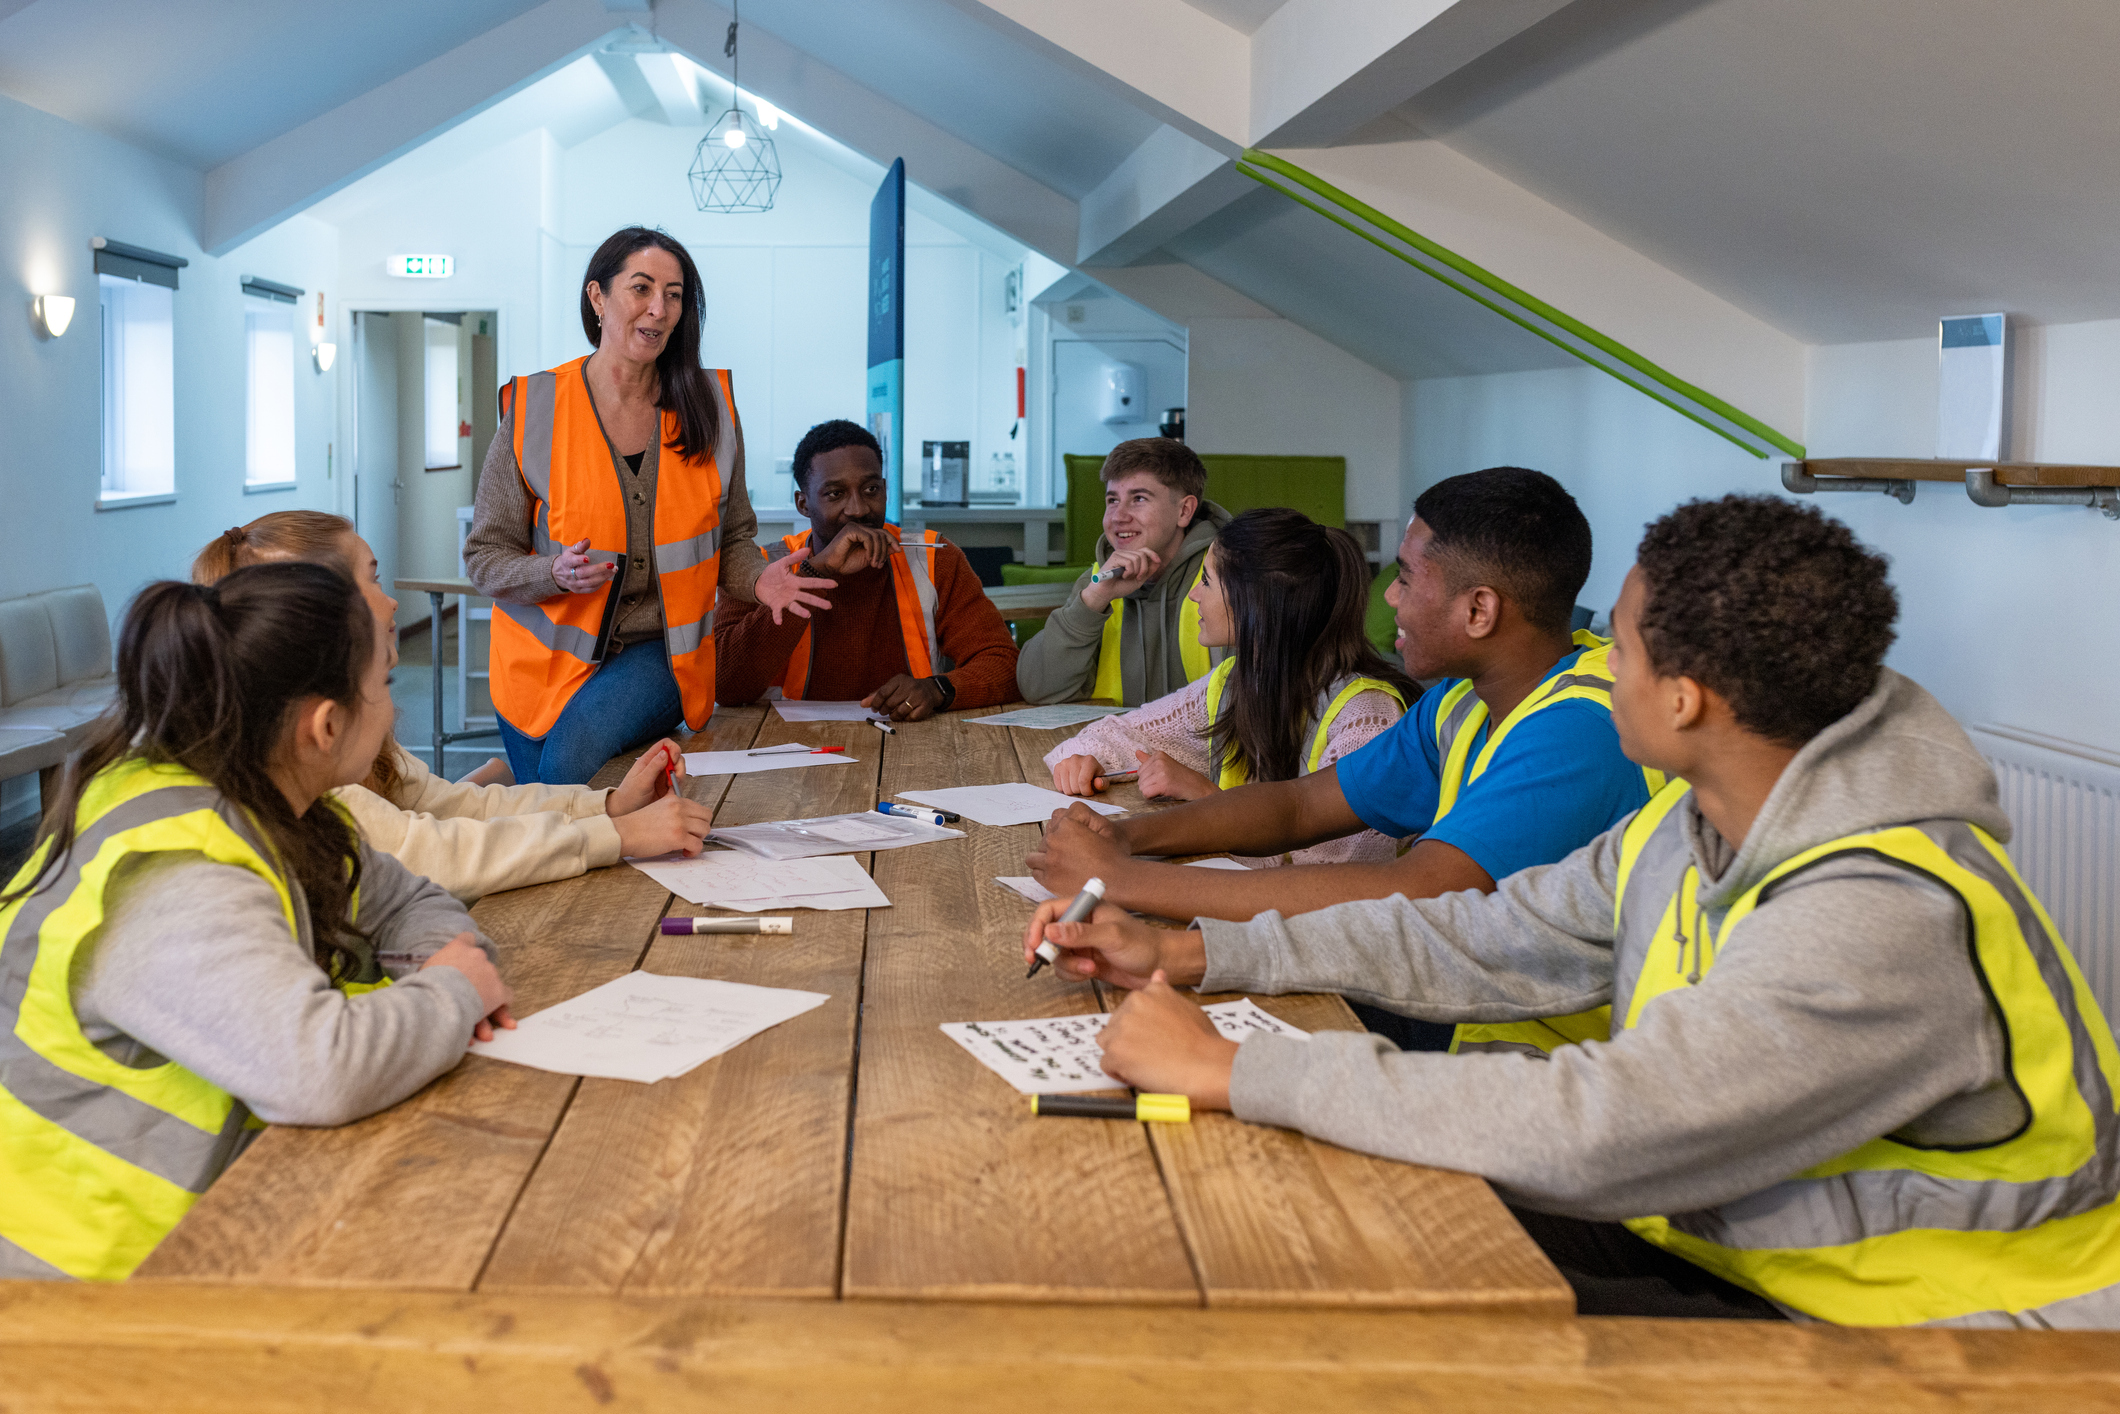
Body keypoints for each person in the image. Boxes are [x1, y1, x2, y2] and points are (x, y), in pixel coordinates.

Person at [1029, 495, 2120, 1328]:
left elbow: (1610, 1127)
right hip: (1734, 1238)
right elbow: (1481, 934)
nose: (1602, 663)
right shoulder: (1687, 824)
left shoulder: (1877, 910)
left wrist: (1233, 1070)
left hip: (1949, 1331)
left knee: (1356, 1314)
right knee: (1322, 1224)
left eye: (1624, 645)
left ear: (1682, 699)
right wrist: (1193, 948)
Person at [0, 563, 515, 1281]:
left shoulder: (271, 803)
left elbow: (408, 901)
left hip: (211, 1224)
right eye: (384, 689)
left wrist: (442, 961)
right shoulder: (178, 876)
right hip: (85, 1297)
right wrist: (454, 993)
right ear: (325, 726)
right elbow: (321, 1070)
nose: (393, 712)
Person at [1029, 467, 1658, 1052]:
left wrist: (1124, 880)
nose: (1390, 601)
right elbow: (1301, 805)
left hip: (1534, 1052)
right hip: (1459, 1002)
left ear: (1479, 610)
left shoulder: (1576, 730)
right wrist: (1124, 837)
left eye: (1407, 579)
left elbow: (1411, 895)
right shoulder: (1462, 700)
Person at [465, 226, 828, 784]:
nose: (658, 309)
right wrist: (550, 572)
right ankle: (507, 785)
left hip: (657, 652)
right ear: (597, 297)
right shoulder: (535, 408)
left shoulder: (711, 410)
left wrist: (760, 582)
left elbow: (732, 539)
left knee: (562, 772)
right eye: (641, 288)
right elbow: (485, 555)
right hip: (537, 663)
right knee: (546, 799)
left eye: (675, 294)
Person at [195, 513, 713, 900]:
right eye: (372, 579)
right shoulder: (297, 770)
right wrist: (616, 835)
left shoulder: (322, 736)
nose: (392, 599)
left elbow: (458, 807)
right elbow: (437, 854)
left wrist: (607, 807)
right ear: (317, 609)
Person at [1047, 509, 1414, 869]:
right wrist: (1085, 758)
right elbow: (1120, 732)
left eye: (1206, 581)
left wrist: (1209, 799)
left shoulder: (1366, 717)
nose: (1194, 596)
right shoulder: (1237, 678)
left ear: (1255, 600)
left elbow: (1329, 875)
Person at [713, 420, 1019, 719]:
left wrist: (936, 689)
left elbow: (1004, 663)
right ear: (803, 504)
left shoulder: (933, 558)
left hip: (913, 748)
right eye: (835, 493)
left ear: (885, 490)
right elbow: (723, 685)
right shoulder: (757, 567)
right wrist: (814, 572)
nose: (858, 509)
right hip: (786, 753)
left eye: (871, 489)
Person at [1015, 438, 1233, 707]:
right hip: (1113, 745)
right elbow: (1037, 689)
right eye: (1112, 500)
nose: (1118, 516)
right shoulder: (1098, 579)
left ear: (1184, 511)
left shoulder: (1230, 577)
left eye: (1139, 498)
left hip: (1206, 748)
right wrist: (1093, 600)